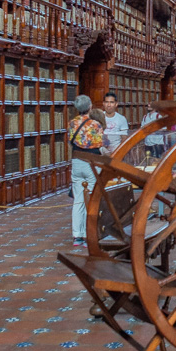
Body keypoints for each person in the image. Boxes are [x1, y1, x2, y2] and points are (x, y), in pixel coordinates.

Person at [68, 95, 105, 247]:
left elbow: (71, 142)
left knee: (78, 200)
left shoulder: (72, 123)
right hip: (92, 162)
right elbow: (99, 145)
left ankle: (77, 236)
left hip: (77, 162)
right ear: (90, 106)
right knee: (92, 199)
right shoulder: (95, 125)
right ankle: (89, 234)